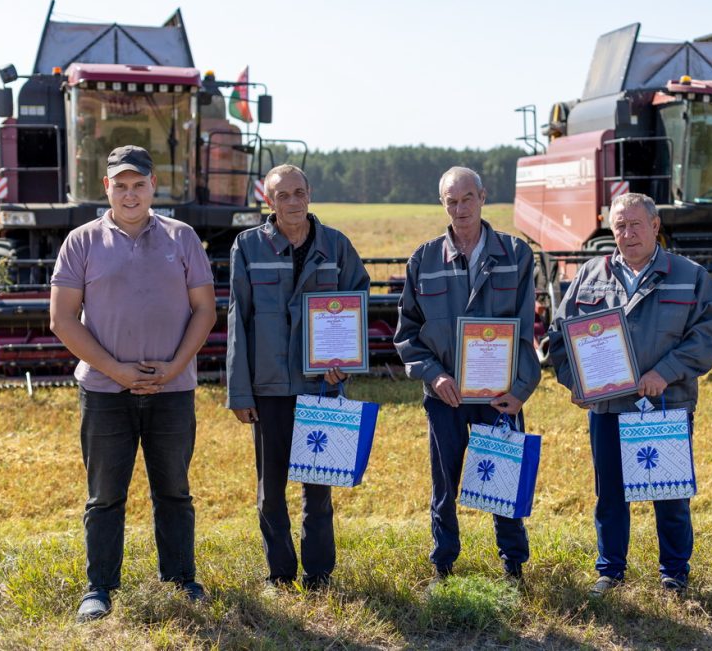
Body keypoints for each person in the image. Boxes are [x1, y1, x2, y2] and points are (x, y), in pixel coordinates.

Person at [50, 145, 217, 622]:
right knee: (105, 494)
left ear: (152, 187)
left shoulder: (181, 237)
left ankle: (181, 578)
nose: (129, 194)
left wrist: (173, 366)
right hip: (105, 392)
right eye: (120, 185)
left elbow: (204, 309)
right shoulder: (81, 242)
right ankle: (99, 587)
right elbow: (63, 319)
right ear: (106, 187)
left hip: (173, 388)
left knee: (174, 490)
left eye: (138, 184)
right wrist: (115, 370)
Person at [548, 192, 712, 597]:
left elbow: (708, 333)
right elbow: (560, 334)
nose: (627, 235)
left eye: (635, 225)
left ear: (655, 226)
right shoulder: (590, 274)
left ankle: (674, 574)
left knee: (670, 495)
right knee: (609, 493)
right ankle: (610, 571)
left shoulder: (688, 274)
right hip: (607, 406)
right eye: (619, 227)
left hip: (664, 404)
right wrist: (574, 379)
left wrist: (665, 372)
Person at [394, 166, 540, 583]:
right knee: (445, 482)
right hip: (447, 394)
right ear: (443, 204)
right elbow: (408, 332)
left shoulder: (516, 255)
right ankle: (443, 562)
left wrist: (520, 389)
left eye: (467, 199)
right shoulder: (423, 260)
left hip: (499, 395)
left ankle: (513, 565)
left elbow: (528, 329)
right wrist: (433, 376)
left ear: (483, 197)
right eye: (451, 201)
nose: (460, 209)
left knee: (504, 477)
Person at [226, 164, 369, 590]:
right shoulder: (248, 246)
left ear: (309, 194)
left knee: (318, 489)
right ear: (268, 200)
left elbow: (357, 301)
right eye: (282, 195)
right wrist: (239, 390)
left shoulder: (336, 246)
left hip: (320, 386)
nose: (292, 202)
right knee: (270, 490)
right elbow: (238, 317)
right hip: (268, 386)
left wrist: (346, 361)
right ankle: (280, 572)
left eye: (298, 192)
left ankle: (320, 573)